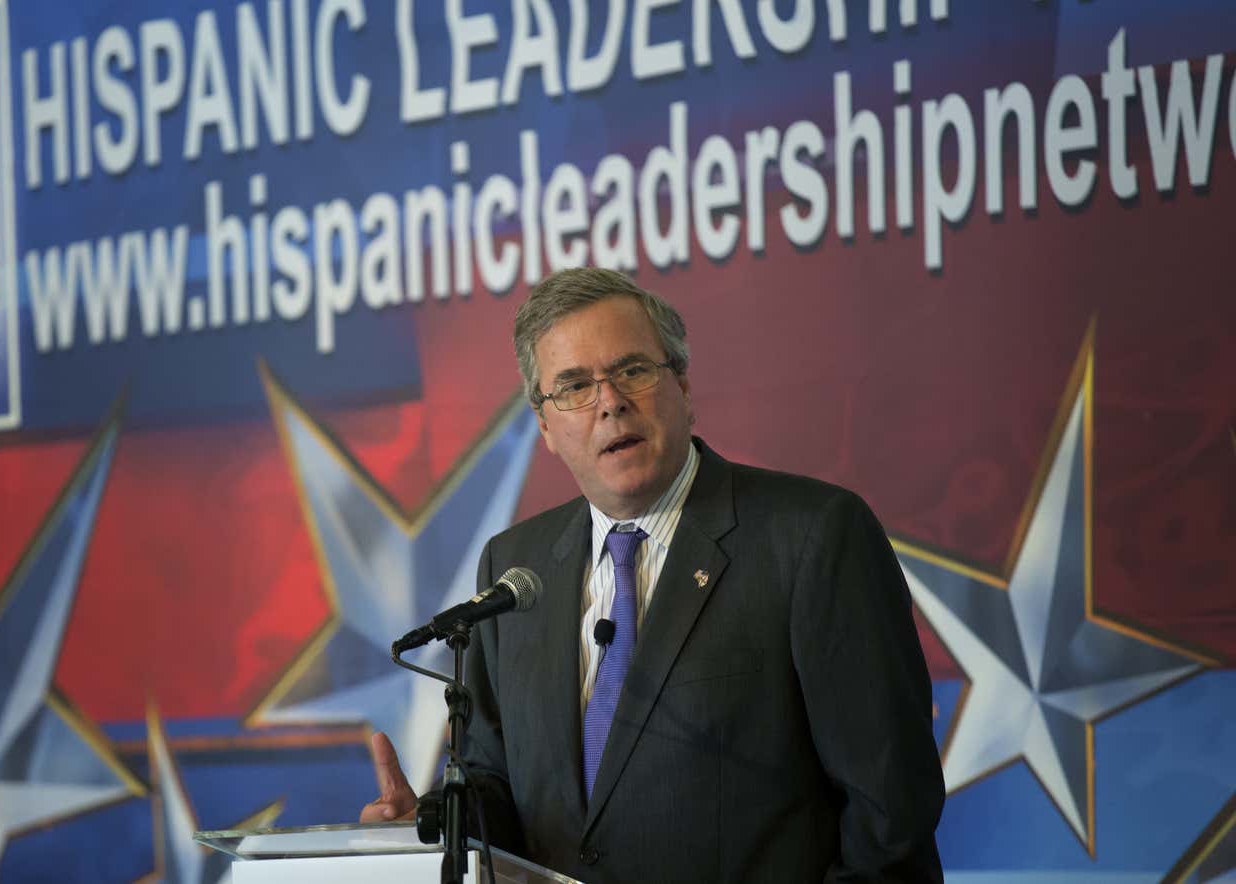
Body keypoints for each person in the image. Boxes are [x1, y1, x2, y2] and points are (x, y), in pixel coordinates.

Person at [362, 267, 945, 882]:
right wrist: (433, 828)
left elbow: (889, 822)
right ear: (546, 428)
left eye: (633, 371)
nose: (610, 401)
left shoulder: (814, 537)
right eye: (574, 386)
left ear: (685, 387)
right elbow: (500, 784)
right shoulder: (515, 567)